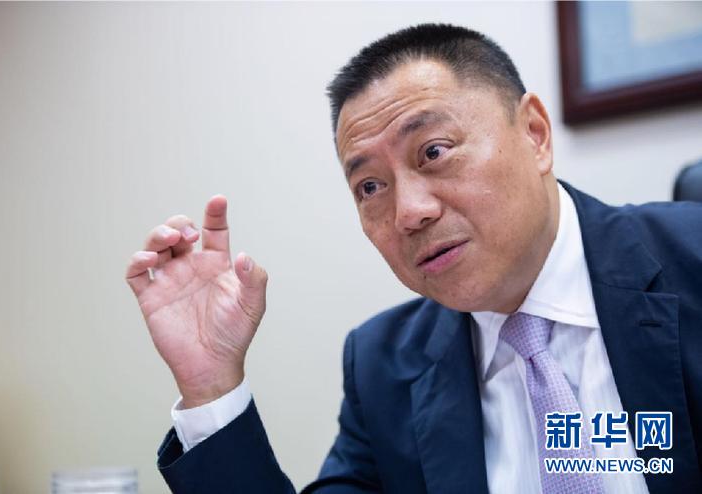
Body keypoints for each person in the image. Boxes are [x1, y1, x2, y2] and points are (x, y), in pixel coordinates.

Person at [125, 24, 702, 493]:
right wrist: (212, 388)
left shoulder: (692, 258)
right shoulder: (383, 368)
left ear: (534, 134)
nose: (409, 212)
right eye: (370, 187)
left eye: (433, 152)